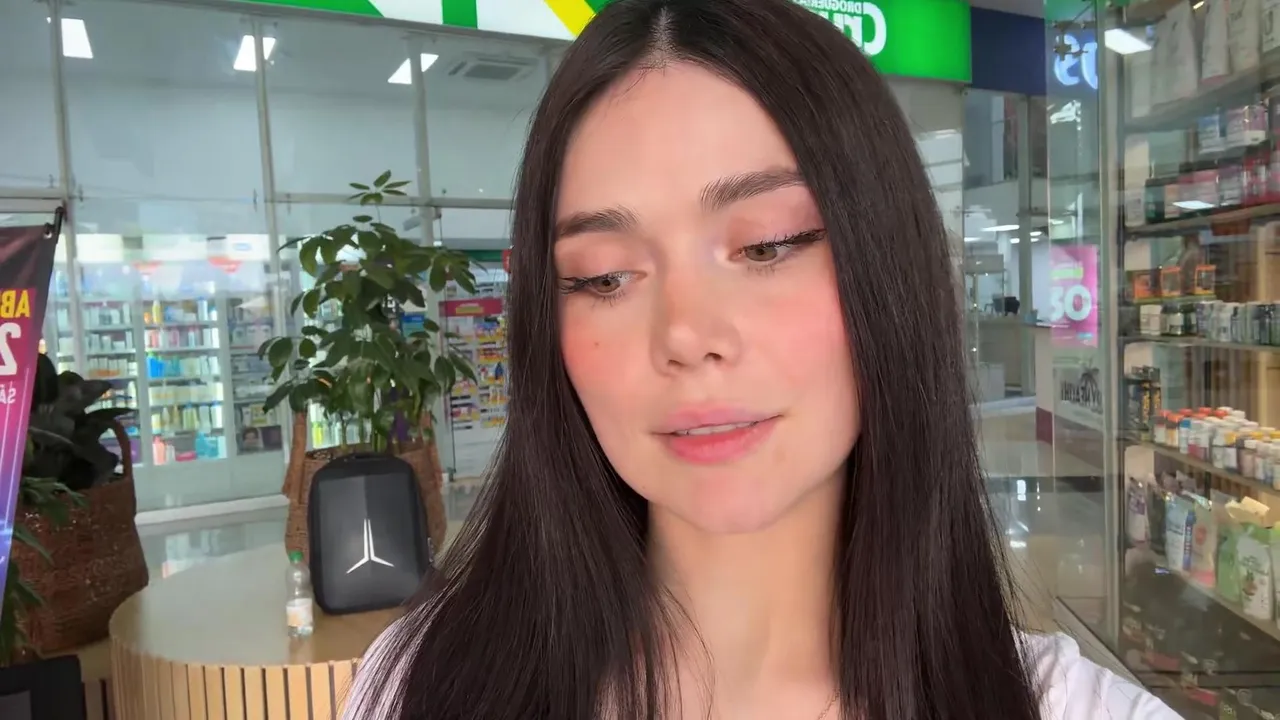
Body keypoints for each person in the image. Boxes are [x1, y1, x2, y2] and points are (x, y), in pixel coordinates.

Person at [345, 1, 1180, 718]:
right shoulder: (421, 683)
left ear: (887, 267)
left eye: (767, 245)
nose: (686, 333)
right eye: (604, 277)